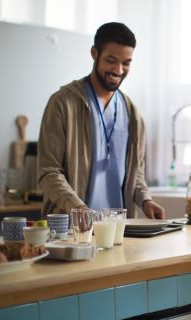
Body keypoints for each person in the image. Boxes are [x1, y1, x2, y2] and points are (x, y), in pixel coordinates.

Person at [38, 22, 165, 219]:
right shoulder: (63, 103)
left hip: (118, 231)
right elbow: (48, 172)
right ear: (94, 53)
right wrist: (78, 209)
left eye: (126, 63)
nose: (119, 70)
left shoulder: (132, 114)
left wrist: (146, 200)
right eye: (111, 60)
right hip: (73, 230)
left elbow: (136, 174)